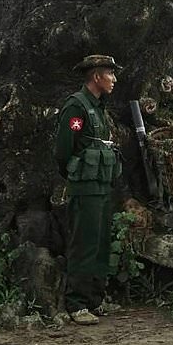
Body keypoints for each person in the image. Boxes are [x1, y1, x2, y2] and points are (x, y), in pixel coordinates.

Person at [55, 55, 123, 325]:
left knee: (100, 244)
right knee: (83, 244)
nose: (114, 79)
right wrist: (75, 175)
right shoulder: (77, 107)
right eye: (110, 74)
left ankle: (95, 299)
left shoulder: (99, 107)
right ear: (96, 77)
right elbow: (63, 149)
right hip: (85, 189)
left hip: (102, 186)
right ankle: (77, 304)